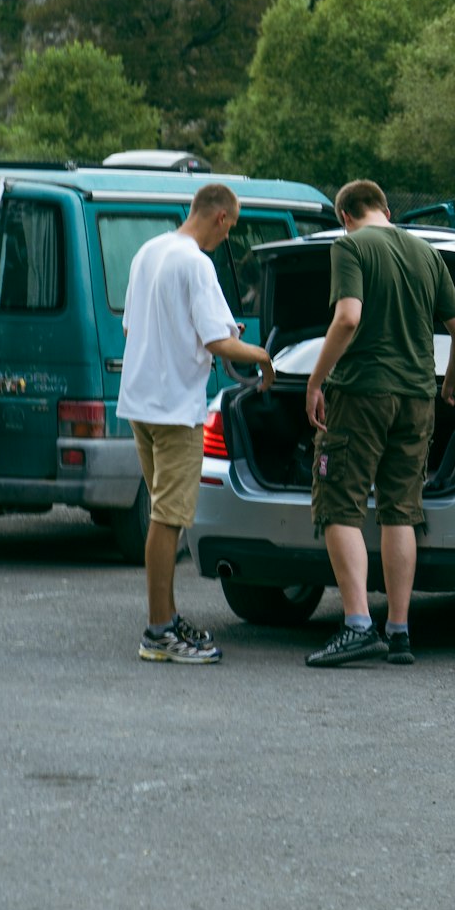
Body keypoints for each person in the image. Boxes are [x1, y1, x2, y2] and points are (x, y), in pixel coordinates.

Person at [304, 179, 455, 667]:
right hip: (418, 398)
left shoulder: (350, 246)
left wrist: (317, 382)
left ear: (345, 215)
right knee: (401, 510)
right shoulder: (426, 253)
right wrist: (449, 384)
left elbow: (348, 318)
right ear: (385, 209)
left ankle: (358, 625)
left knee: (339, 505)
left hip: (360, 394)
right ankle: (398, 631)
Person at [117, 182, 275, 664]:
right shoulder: (197, 262)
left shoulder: (150, 250)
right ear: (222, 218)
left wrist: (218, 334)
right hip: (175, 409)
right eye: (231, 229)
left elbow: (134, 324)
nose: (227, 239)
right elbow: (220, 345)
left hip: (140, 404)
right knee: (169, 519)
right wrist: (265, 358)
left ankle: (166, 618)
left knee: (161, 518)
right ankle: (159, 631)